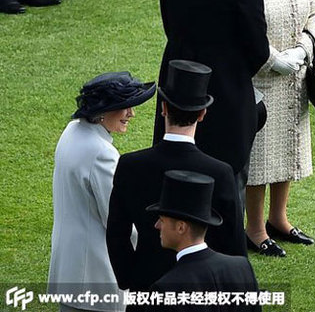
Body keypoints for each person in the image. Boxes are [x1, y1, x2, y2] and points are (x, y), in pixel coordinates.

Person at [155, 0, 270, 200]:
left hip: (177, 82)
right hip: (226, 93)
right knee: (226, 186)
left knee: (174, 175)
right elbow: (257, 49)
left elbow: (170, 22)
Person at [107, 60, 245, 292]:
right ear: (202, 114)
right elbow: (233, 244)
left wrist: (130, 280)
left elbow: (116, 234)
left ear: (163, 109)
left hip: (146, 284)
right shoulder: (220, 172)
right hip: (202, 290)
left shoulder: (130, 165)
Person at [236, 0, 315, 256]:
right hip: (258, 78)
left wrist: (304, 47)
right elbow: (241, 29)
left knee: (289, 150)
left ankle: (279, 219)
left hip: (295, 74)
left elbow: (314, 7)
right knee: (260, 158)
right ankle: (254, 229)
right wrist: (274, 60)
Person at [48, 72, 157, 312]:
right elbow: (117, 220)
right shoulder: (102, 153)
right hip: (95, 277)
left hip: (68, 269)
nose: (131, 114)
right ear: (102, 111)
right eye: (125, 107)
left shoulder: (71, 132)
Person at [148, 170, 259, 298]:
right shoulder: (242, 269)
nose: (157, 225)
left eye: (162, 220)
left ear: (181, 227)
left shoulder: (165, 289)